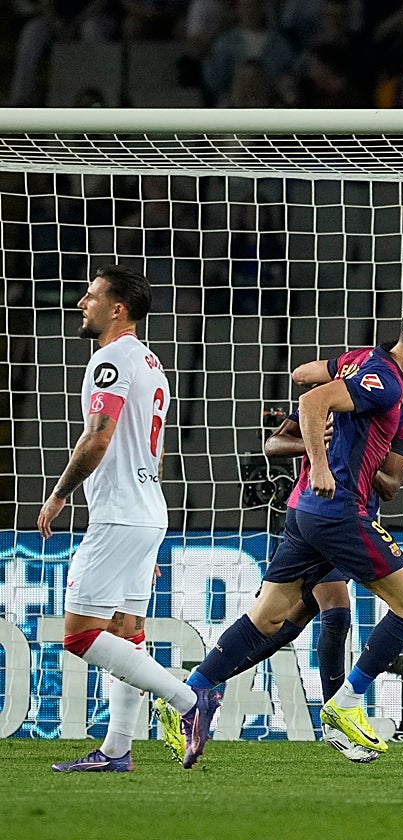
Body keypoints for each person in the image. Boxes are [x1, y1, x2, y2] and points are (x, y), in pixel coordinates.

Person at [159, 302, 403, 768]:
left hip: (303, 513)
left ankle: (191, 692)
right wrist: (321, 460)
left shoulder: (365, 364)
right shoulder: (384, 382)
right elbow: (310, 400)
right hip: (340, 511)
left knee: (269, 616)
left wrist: (334, 420)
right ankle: (345, 704)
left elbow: (304, 374)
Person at [38, 265, 203, 772]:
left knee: (81, 635)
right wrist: (143, 537)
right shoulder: (153, 364)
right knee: (126, 632)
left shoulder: (109, 359)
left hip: (120, 515)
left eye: (91, 296)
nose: (80, 303)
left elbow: (98, 437)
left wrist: (59, 493)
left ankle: (189, 702)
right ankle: (116, 750)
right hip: (147, 509)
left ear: (118, 308)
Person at [223, 354, 403, 764]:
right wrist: (318, 447)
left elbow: (391, 485)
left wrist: (364, 459)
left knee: (285, 622)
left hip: (356, 519)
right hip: (320, 510)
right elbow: (273, 443)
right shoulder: (338, 394)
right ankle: (338, 718)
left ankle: (200, 686)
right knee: (334, 610)